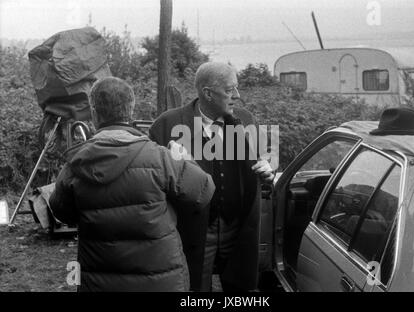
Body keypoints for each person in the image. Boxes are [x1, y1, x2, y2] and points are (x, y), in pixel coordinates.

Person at [49, 77, 215, 292]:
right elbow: (203, 191)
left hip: (99, 281)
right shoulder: (163, 159)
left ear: (94, 113)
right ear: (131, 110)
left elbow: (62, 212)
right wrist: (186, 159)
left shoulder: (75, 165)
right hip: (161, 282)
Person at [149, 62, 274, 291]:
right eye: (229, 90)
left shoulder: (246, 120)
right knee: (192, 289)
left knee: (242, 291)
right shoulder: (167, 124)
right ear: (207, 93)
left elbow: (263, 161)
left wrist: (267, 170)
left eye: (236, 88)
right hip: (192, 229)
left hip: (239, 227)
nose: (237, 96)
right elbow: (152, 183)